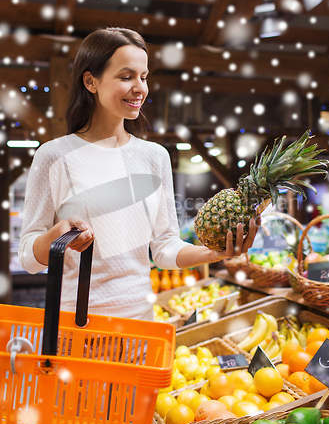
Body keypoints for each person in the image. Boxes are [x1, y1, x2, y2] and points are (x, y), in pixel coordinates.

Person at [18, 27, 259, 322]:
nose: (140, 88)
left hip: (142, 325)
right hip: (78, 327)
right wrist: (57, 237)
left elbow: (165, 248)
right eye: (126, 76)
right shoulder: (54, 156)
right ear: (90, 81)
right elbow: (28, 258)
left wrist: (214, 255)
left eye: (143, 77)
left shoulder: (154, 157)